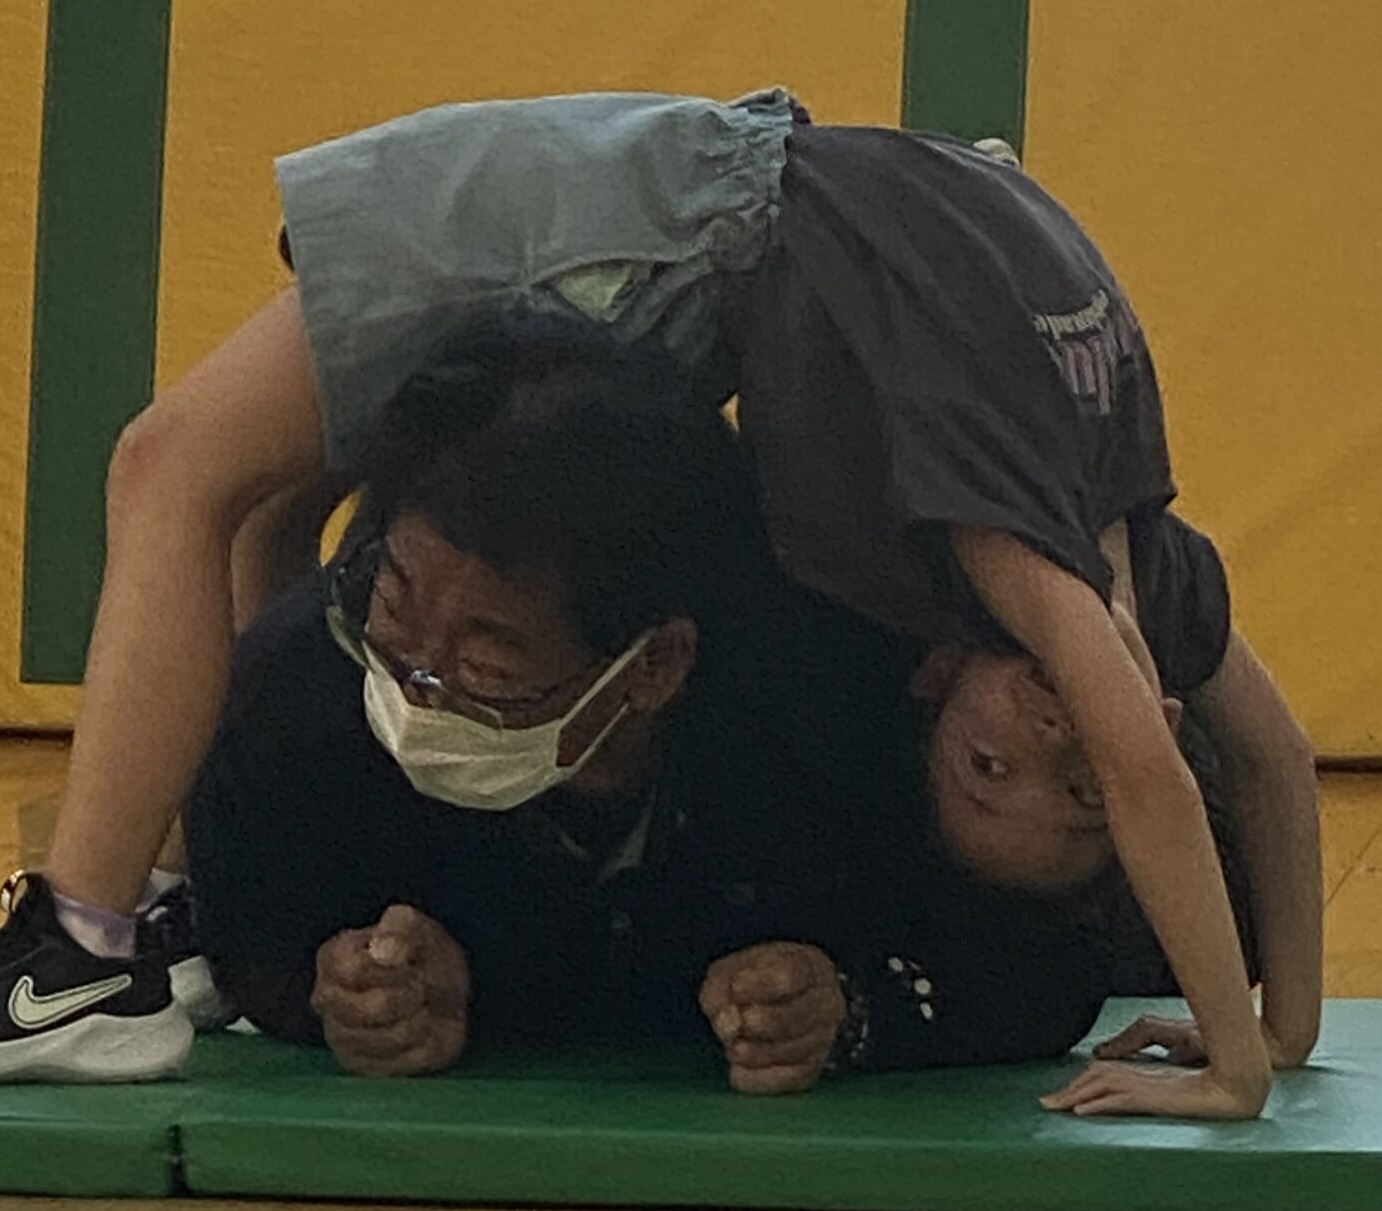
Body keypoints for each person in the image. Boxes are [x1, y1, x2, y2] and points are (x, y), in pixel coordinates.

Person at [0, 89, 1318, 1116]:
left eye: (1017, 774)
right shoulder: (1078, 564)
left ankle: (89, 945)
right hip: (700, 203)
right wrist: (1255, 1049)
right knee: (214, 481)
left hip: (718, 208)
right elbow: (1206, 759)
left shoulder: (1063, 540)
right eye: (1078, 752)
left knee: (186, 471)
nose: (1060, 737)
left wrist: (1273, 1033)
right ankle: (138, 925)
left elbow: (1220, 759)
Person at [183, 310, 1110, 1091]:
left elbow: (1046, 967)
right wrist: (355, 998)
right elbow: (253, 935)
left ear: (655, 664)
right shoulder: (308, 677)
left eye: (488, 665)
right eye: (394, 599)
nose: (415, 684)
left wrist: (850, 1008)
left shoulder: (836, 692)